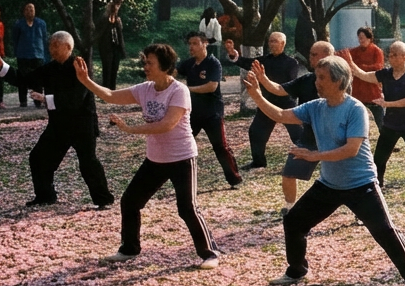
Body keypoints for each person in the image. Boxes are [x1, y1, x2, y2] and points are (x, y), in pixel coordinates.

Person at [243, 56, 405, 286]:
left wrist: (314, 156)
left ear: (339, 81)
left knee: (384, 231)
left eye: (322, 78)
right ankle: (297, 270)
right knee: (294, 221)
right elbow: (280, 114)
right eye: (316, 77)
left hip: (361, 184)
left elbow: (351, 150)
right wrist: (257, 94)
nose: (317, 83)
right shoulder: (315, 107)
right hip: (329, 185)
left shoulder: (355, 109)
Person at [73, 45, 221, 269]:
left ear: (165, 66)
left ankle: (210, 253)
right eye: (144, 62)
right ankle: (129, 249)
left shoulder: (179, 91)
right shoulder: (145, 89)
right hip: (156, 159)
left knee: (187, 207)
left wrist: (130, 129)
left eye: (149, 62)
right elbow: (111, 96)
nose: (145, 67)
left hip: (181, 157)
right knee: (130, 201)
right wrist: (85, 80)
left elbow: (167, 125)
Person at [0, 32, 115, 208]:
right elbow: (25, 79)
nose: (51, 49)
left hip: (81, 124)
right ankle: (45, 195)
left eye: (56, 45)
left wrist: (46, 99)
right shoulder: (50, 68)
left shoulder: (80, 66)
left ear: (68, 47)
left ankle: (104, 199)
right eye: (50, 45)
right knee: (38, 157)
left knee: (88, 162)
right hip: (59, 124)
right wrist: (1, 66)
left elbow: (75, 99)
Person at [344, 41, 405, 199]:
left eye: (394, 55)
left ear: (404, 57)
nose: (391, 57)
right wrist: (351, 63)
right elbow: (365, 76)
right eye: (390, 54)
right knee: (379, 158)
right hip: (391, 123)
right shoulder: (386, 73)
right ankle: (376, 186)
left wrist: (387, 104)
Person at [252, 40, 336, 214]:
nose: (310, 57)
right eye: (310, 53)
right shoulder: (306, 79)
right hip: (310, 138)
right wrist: (262, 80)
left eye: (314, 54)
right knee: (289, 173)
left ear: (327, 56)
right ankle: (291, 207)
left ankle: (361, 211)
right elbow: (279, 90)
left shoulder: (342, 81)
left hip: (336, 139)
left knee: (349, 180)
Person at [226, 32, 304, 170]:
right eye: (270, 41)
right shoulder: (263, 61)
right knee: (255, 132)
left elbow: (290, 83)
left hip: (286, 104)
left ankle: (308, 157)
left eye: (275, 41)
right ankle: (258, 162)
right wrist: (233, 53)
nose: (272, 44)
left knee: (298, 134)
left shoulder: (292, 63)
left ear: (283, 44)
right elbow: (245, 62)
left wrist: (267, 82)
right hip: (267, 103)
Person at [175, 32, 242, 189]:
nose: (191, 47)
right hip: (193, 112)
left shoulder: (213, 63)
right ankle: (176, 177)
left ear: (205, 44)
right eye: (189, 44)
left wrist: (186, 89)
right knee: (181, 142)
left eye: (195, 43)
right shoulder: (189, 63)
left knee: (220, 147)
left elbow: (212, 86)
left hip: (213, 113)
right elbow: (174, 72)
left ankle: (234, 178)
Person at [345, 27, 385, 129]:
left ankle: (387, 140)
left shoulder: (377, 51)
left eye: (362, 37)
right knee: (354, 120)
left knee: (380, 120)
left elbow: (378, 67)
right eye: (359, 37)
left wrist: (358, 68)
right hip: (358, 91)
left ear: (369, 38)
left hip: (372, 91)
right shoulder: (354, 51)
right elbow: (345, 57)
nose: (360, 40)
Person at [10, 3, 48, 108]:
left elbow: (44, 39)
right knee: (22, 78)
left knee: (38, 80)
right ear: (24, 11)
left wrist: (45, 55)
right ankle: (23, 101)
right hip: (23, 55)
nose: (30, 11)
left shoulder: (41, 23)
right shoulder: (19, 24)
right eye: (27, 9)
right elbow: (15, 39)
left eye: (32, 9)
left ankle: (38, 101)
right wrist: (17, 52)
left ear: (35, 11)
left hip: (38, 54)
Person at [95, 0, 125, 89]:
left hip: (116, 47)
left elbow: (120, 35)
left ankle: (113, 90)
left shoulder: (118, 20)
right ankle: (106, 89)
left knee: (114, 68)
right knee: (107, 69)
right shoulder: (103, 19)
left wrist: (122, 50)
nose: (117, 7)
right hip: (106, 48)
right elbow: (99, 33)